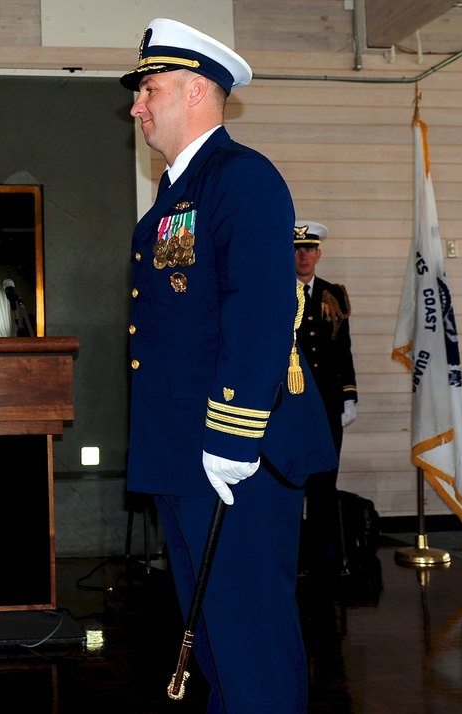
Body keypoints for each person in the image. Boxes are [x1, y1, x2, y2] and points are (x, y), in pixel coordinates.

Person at [120, 18, 337, 713]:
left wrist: (234, 432)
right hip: (186, 451)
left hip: (232, 454)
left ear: (196, 92)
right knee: (214, 643)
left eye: (149, 89)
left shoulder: (241, 177)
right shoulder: (175, 191)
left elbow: (263, 310)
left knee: (252, 646)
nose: (137, 106)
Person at [294, 221, 358, 576]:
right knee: (293, 480)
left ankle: (322, 557)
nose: (303, 256)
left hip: (328, 402)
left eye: (309, 249)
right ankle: (292, 555)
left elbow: (342, 350)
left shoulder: (334, 295)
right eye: (296, 250)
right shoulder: (277, 293)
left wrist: (349, 396)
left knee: (324, 479)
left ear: (319, 254)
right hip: (291, 403)